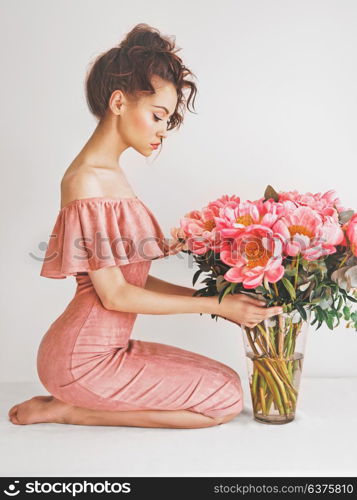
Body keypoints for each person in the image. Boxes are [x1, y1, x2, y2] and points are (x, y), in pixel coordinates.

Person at [8, 23, 282, 429]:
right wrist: (214, 305)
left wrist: (221, 307)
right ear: (118, 102)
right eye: (157, 116)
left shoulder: (111, 175)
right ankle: (69, 409)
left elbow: (132, 280)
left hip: (108, 349)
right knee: (223, 402)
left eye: (168, 121)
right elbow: (116, 296)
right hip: (82, 360)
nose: (162, 131)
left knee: (226, 383)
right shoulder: (84, 180)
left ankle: (70, 402)